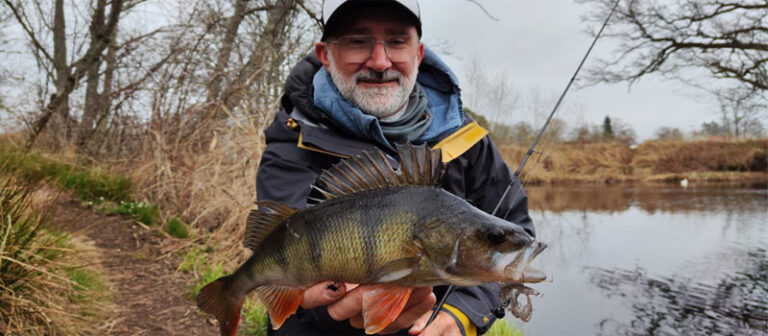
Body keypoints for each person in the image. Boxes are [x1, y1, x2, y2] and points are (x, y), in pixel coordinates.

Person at [256, 0, 535, 335]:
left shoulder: (468, 140)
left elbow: (514, 238)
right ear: (324, 55)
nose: (379, 61)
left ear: (418, 54)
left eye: (397, 41)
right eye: (358, 41)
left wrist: (462, 315)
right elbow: (284, 266)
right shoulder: (292, 142)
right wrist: (332, 312)